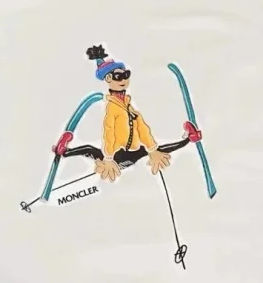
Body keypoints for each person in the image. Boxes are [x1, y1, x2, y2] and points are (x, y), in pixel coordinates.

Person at [61, 45, 200, 181]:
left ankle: (190, 137)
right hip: (116, 156)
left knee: (160, 149)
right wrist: (108, 158)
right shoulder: (112, 107)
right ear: (108, 79)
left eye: (126, 75)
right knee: (89, 150)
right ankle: (64, 151)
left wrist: (152, 149)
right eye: (118, 76)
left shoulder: (128, 106)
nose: (123, 79)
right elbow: (109, 132)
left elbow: (142, 129)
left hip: (132, 153)